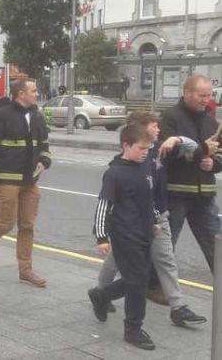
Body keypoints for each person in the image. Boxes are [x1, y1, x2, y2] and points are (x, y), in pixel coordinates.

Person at [96, 111, 206, 327]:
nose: (159, 130)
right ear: (140, 130)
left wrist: (178, 139)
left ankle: (178, 307)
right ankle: (103, 294)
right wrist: (102, 236)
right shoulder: (121, 165)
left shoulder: (162, 147)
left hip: (156, 216)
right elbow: (106, 201)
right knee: (118, 262)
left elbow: (195, 149)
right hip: (129, 226)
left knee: (164, 259)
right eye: (154, 126)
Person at [0, 79, 51, 288]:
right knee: (7, 222)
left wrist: (44, 160)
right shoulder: (1, 115)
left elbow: (43, 143)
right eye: (33, 90)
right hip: (7, 179)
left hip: (30, 181)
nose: (37, 93)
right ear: (21, 94)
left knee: (27, 225)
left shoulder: (36, 115)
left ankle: (25, 271)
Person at [88, 125, 158, 350]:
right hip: (125, 234)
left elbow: (148, 196)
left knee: (142, 278)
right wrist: (101, 237)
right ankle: (133, 329)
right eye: (141, 148)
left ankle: (102, 294)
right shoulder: (115, 173)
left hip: (145, 231)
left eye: (148, 148)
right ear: (126, 146)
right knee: (138, 283)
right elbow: (103, 205)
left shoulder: (145, 165)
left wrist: (154, 218)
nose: (146, 152)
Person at [159, 74, 221, 273]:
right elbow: (166, 152)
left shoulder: (212, 122)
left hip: (205, 196)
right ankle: (155, 286)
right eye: (202, 95)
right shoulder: (170, 117)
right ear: (186, 93)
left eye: (209, 95)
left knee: (216, 245)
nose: (207, 100)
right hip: (175, 194)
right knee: (166, 246)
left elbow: (219, 154)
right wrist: (202, 150)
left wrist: (213, 163)